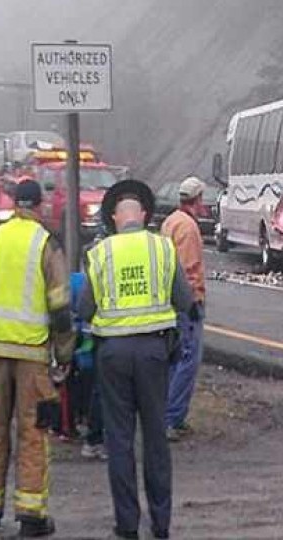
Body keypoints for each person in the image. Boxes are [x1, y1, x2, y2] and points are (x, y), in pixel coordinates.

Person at [0, 179, 74, 537]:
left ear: (13, 204)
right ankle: (31, 515)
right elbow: (60, 308)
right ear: (38, 206)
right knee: (33, 433)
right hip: (31, 355)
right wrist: (64, 354)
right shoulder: (45, 244)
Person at [79, 180, 196, 540]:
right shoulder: (162, 249)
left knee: (119, 439)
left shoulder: (100, 254)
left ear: (115, 218)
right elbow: (184, 300)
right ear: (144, 216)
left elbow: (85, 307)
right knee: (155, 439)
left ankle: (127, 525)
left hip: (113, 355)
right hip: (153, 353)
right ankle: (161, 524)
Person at [161, 176, 207, 441]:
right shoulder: (188, 228)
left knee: (174, 359)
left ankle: (168, 415)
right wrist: (191, 303)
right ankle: (172, 418)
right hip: (185, 303)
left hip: (169, 301)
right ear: (197, 199)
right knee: (188, 359)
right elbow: (189, 270)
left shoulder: (170, 221)